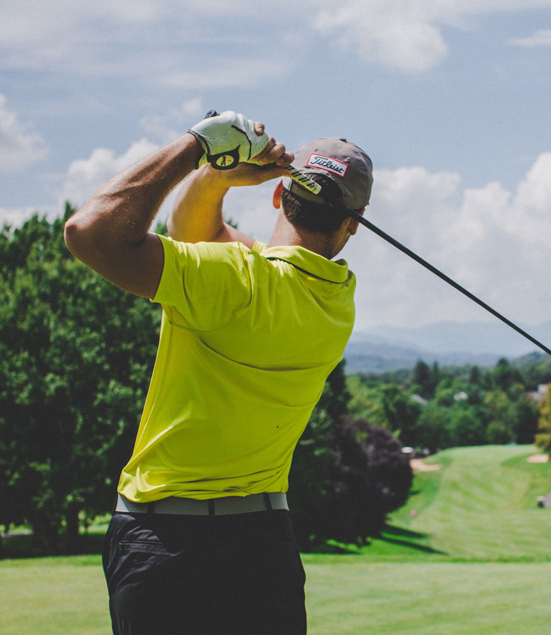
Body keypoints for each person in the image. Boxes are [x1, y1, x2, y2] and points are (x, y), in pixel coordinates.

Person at [64, 110, 373, 634]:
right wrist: (214, 178)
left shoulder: (231, 283)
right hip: (264, 548)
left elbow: (89, 233)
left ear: (278, 195)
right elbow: (198, 234)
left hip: (161, 543)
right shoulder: (336, 303)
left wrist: (200, 149)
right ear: (353, 225)